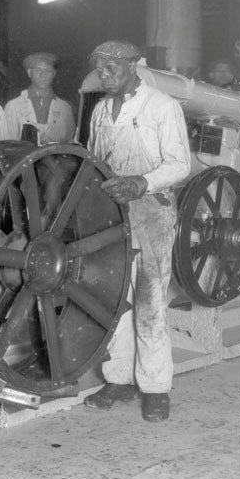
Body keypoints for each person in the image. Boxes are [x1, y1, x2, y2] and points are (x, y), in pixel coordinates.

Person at [80, 40, 190, 422]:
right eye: (100, 69)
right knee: (113, 299)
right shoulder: (98, 111)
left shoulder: (162, 107)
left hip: (150, 212)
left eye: (111, 68)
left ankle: (156, 387)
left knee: (149, 301)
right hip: (110, 216)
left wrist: (141, 184)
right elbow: (94, 160)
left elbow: (180, 165)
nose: (104, 76)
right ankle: (119, 378)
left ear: (133, 67)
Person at [4, 52, 75, 144]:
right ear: (30, 73)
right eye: (38, 70)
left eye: (48, 70)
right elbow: (9, 146)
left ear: (54, 73)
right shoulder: (13, 106)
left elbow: (70, 143)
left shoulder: (64, 108)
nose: (43, 75)